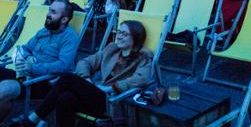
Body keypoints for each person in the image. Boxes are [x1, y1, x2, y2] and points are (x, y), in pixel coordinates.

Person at [11, 20, 152, 127]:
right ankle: (32, 120)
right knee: (65, 98)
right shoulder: (111, 49)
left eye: (124, 34)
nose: (119, 36)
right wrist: (86, 79)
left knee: (67, 78)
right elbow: (84, 62)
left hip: (113, 102)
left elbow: (142, 79)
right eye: (119, 32)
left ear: (135, 39)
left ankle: (31, 119)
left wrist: (112, 87)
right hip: (96, 95)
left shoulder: (143, 58)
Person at [0, 1, 79, 127]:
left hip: (42, 82)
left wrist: (34, 67)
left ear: (64, 19)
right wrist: (28, 57)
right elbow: (25, 48)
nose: (48, 14)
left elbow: (64, 66)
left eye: (53, 12)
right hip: (23, 73)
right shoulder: (44, 31)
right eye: (49, 10)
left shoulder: (70, 37)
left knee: (4, 89)